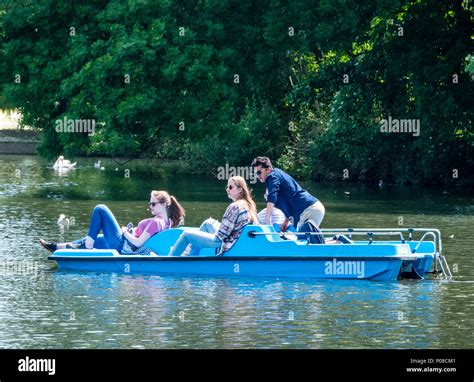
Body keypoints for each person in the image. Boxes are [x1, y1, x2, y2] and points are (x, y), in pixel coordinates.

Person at [40, 190, 185, 255]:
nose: (150, 207)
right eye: (150, 203)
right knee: (93, 238)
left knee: (100, 209)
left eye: (153, 204)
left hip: (123, 245)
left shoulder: (157, 222)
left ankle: (87, 245)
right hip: (124, 244)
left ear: (164, 204)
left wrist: (125, 232)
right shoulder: (168, 222)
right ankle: (57, 247)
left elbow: (138, 243)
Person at [168, 176, 258, 257]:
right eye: (227, 187)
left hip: (225, 242)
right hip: (235, 238)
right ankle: (190, 256)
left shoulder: (235, 206)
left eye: (231, 187)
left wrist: (201, 237)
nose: (227, 189)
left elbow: (221, 236)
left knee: (187, 235)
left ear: (240, 190)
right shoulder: (249, 205)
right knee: (208, 223)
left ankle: (168, 260)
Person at [251, 156, 325, 231]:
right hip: (312, 209)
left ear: (268, 169)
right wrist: (286, 222)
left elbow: (272, 198)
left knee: (302, 240)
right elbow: (289, 200)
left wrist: (267, 222)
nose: (258, 176)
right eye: (256, 174)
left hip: (309, 210)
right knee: (305, 239)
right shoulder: (277, 174)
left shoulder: (272, 177)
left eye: (259, 172)